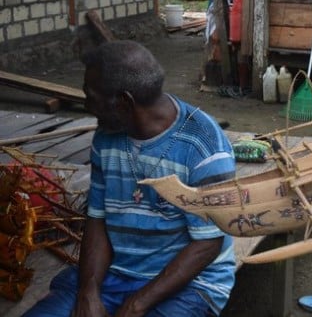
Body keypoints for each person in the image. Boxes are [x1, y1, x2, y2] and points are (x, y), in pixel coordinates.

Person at [24, 40, 237, 317]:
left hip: (190, 283)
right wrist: (89, 291)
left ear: (124, 102)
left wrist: (137, 304)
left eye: (91, 96)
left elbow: (207, 244)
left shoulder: (204, 147)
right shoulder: (107, 136)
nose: (87, 105)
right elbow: (97, 217)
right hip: (116, 274)